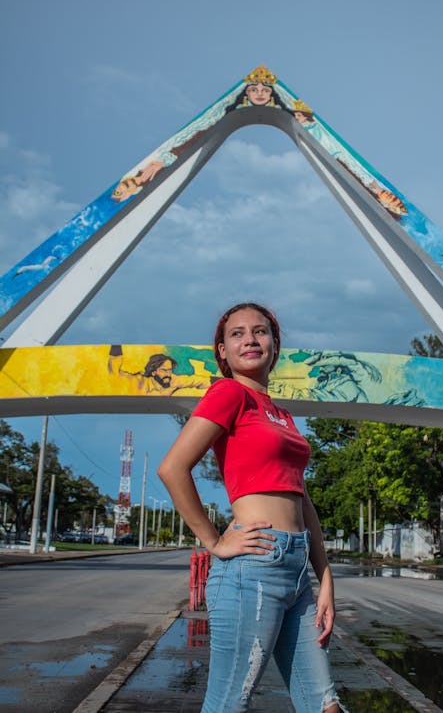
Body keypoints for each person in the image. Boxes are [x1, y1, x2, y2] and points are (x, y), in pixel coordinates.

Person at [157, 302, 341, 713]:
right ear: (222, 351)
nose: (250, 340)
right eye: (236, 333)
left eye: (260, 331)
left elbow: (301, 497)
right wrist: (213, 541)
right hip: (253, 567)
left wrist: (324, 575)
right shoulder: (228, 393)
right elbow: (173, 468)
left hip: (296, 570)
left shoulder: (282, 414)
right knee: (229, 704)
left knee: (324, 705)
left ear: (275, 344)